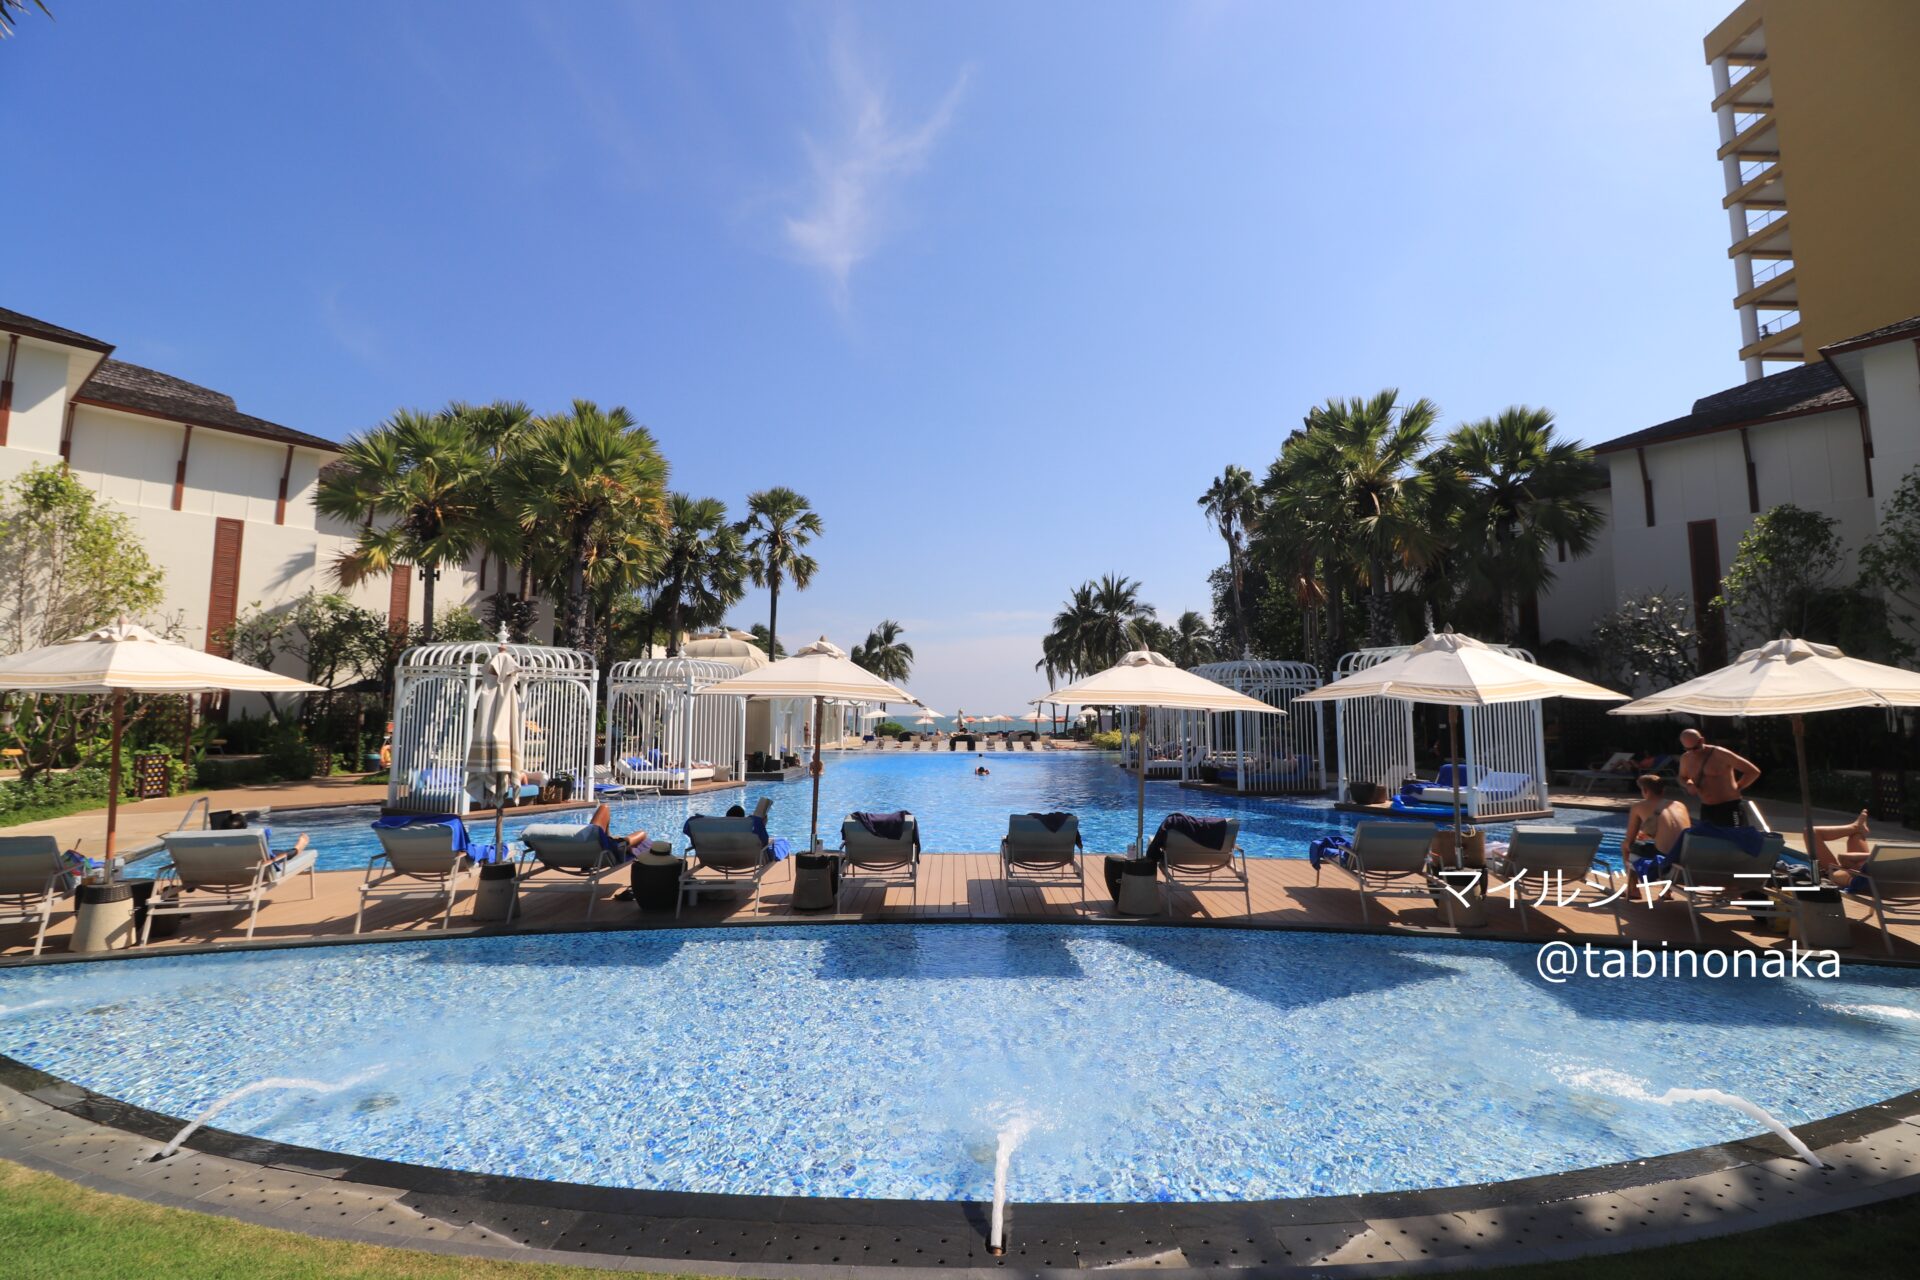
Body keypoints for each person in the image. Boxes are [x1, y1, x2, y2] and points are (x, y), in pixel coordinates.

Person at [1622, 774, 1690, 896]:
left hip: (1665, 861)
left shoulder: (1639, 806)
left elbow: (1630, 840)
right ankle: (1666, 891)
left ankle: (1633, 889)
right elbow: (1675, 833)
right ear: (1663, 790)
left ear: (1645, 790)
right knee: (1667, 847)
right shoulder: (1680, 805)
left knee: (1626, 846)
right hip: (1686, 859)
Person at [1677, 728, 1759, 827]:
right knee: (1709, 836)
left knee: (1735, 835)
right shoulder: (1685, 758)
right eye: (1688, 749)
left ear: (1702, 740)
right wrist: (1688, 784)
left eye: (1695, 748)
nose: (1693, 752)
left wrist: (1738, 787)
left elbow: (1753, 772)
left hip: (1730, 807)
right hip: (1707, 808)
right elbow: (1681, 777)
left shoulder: (1720, 754)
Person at [1813, 810, 1874, 887]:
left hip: (1850, 876)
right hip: (1863, 871)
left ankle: (1855, 827)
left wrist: (1872, 856)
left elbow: (1842, 858)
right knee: (1856, 835)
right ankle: (1857, 828)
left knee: (1811, 832)